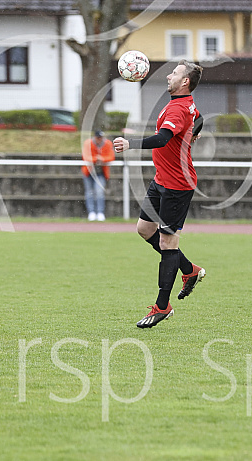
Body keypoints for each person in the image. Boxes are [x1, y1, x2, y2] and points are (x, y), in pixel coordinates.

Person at [113, 59, 206, 329]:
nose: (169, 76)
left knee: (168, 244)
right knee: (144, 229)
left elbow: (163, 139)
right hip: (161, 180)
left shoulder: (178, 109)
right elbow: (197, 118)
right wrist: (193, 132)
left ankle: (162, 306)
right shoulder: (184, 103)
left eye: (174, 73)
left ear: (185, 81)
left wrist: (130, 144)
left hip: (177, 184)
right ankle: (189, 270)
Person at [82, 130, 115, 221]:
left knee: (99, 192)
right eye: (98, 137)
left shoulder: (107, 143)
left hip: (101, 173)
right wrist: (96, 159)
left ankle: (100, 212)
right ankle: (91, 212)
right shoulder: (88, 143)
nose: (99, 139)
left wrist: (102, 159)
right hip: (89, 172)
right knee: (89, 192)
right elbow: (86, 156)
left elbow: (111, 157)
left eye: (101, 137)